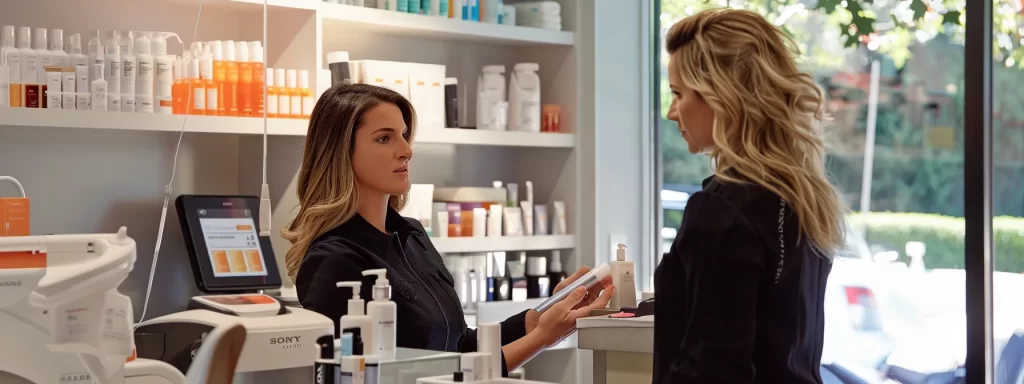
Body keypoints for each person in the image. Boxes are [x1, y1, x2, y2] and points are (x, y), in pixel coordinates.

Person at [282, 83, 614, 376]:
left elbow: (460, 345)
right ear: (341, 153)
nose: (406, 150)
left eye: (404, 135)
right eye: (384, 138)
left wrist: (541, 317)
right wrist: (544, 338)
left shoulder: (412, 236)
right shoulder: (333, 259)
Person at [654, 8, 847, 384]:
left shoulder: (721, 210)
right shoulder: (803, 200)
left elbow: (710, 369)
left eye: (679, 94)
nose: (671, 111)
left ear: (721, 96)